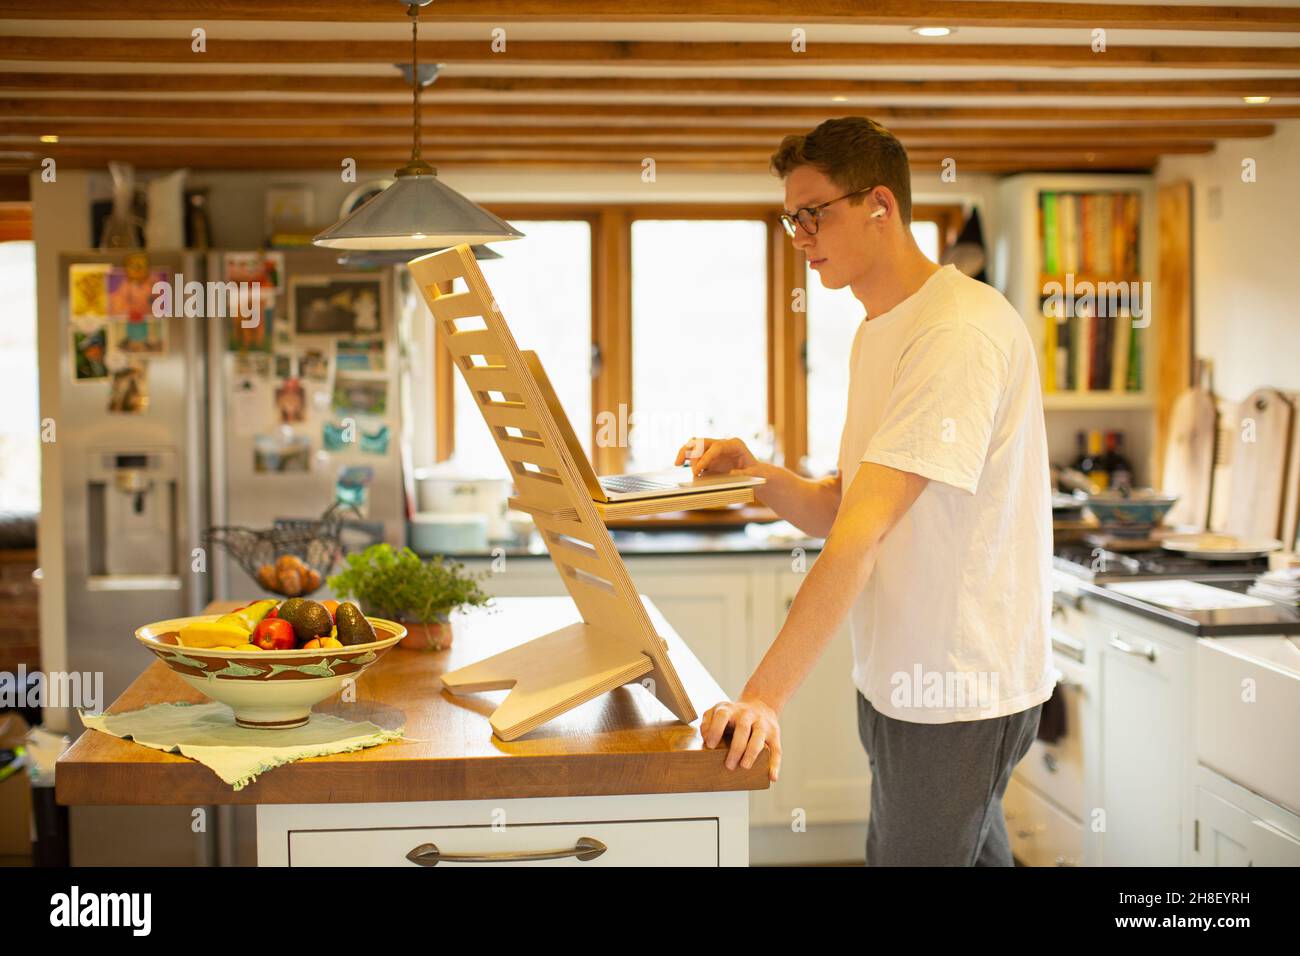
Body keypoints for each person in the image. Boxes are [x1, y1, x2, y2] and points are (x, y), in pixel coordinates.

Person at [675, 116, 1054, 866]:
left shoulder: (956, 332)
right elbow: (839, 505)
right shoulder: (880, 329)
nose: (801, 234)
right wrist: (756, 471)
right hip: (902, 679)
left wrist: (762, 698)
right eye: (791, 219)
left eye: (814, 213)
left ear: (880, 204)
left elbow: (860, 533)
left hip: (956, 690)